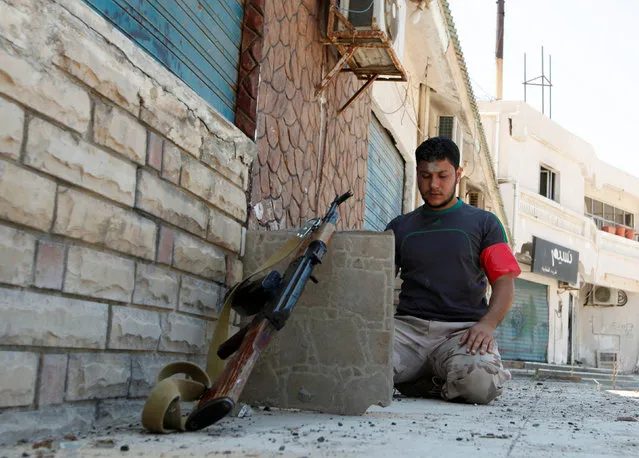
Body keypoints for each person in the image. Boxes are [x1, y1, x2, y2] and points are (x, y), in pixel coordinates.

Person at [385, 137, 521, 404]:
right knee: (359, 364)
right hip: (407, 331)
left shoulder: (485, 223)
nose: (433, 185)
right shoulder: (400, 226)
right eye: (425, 176)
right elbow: (377, 280)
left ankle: (426, 382)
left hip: (461, 333)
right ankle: (430, 378)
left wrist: (487, 325)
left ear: (458, 174)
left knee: (479, 385)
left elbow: (504, 283)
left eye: (442, 176)